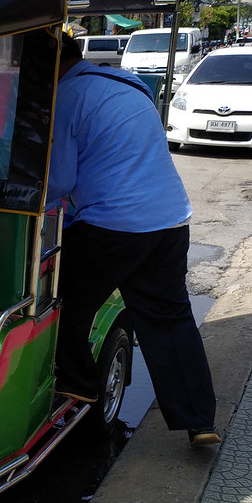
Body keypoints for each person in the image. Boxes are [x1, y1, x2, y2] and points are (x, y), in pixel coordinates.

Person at [47, 32, 220, 446]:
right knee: (170, 319)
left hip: (115, 224)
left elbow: (58, 180)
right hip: (170, 219)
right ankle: (200, 421)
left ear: (51, 68)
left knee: (60, 301)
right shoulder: (128, 82)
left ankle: (79, 385)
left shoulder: (67, 95)